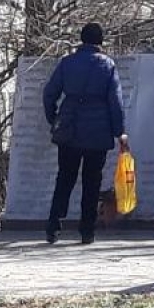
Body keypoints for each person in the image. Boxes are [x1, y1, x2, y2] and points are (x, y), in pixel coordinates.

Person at [43, 23, 128, 245]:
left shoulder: (67, 63)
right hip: (98, 132)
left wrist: (54, 119)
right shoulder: (107, 65)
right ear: (101, 42)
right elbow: (115, 102)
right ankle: (87, 230)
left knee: (65, 178)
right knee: (92, 182)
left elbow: (49, 93)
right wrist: (119, 131)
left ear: (81, 39)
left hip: (69, 127)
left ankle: (53, 226)